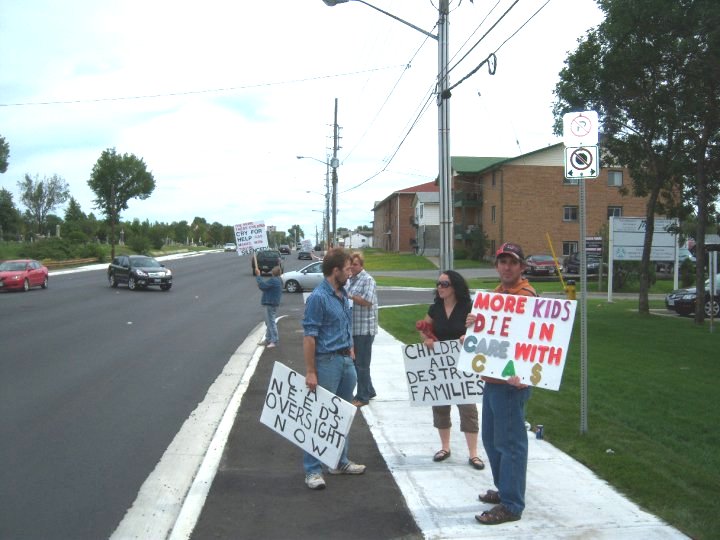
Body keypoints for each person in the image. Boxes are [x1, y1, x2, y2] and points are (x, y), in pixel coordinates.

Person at [472, 242, 538, 526]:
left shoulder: (526, 295)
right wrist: (475, 326)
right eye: (503, 262)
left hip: (512, 382)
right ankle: (504, 490)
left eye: (512, 262)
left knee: (510, 443)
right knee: (491, 439)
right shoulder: (496, 296)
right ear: (497, 265)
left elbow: (535, 339)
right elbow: (494, 334)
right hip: (492, 378)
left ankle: (512, 504)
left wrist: (525, 373)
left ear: (522, 267)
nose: (507, 267)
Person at [301, 248, 366, 490]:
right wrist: (310, 370)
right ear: (335, 270)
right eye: (347, 269)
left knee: (342, 415)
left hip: (345, 360)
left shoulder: (342, 292)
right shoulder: (319, 297)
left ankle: (339, 462)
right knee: (319, 416)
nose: (351, 272)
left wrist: (349, 347)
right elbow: (309, 337)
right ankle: (312, 470)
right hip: (326, 362)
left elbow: (344, 323)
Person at [417, 270, 484, 471]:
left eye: (444, 284)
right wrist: (427, 339)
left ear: (455, 286)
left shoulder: (467, 307)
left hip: (463, 365)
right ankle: (445, 448)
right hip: (440, 365)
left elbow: (480, 331)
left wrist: (468, 336)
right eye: (438, 284)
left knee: (468, 408)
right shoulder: (435, 308)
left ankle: (473, 453)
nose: (440, 287)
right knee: (440, 406)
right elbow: (423, 329)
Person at [346, 252, 378, 407]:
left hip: (365, 329)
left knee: (361, 365)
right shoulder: (350, 280)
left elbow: (367, 301)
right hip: (354, 329)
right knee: (358, 363)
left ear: (362, 265)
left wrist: (350, 296)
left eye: (356, 264)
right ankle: (369, 390)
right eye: (351, 264)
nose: (352, 266)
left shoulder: (368, 280)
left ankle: (362, 397)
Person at [254, 253, 282, 348]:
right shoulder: (278, 280)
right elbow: (265, 287)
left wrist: (258, 275)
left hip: (270, 303)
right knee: (269, 322)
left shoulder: (274, 280)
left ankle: (274, 340)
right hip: (272, 303)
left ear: (274, 273)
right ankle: (268, 339)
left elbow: (262, 286)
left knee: (271, 322)